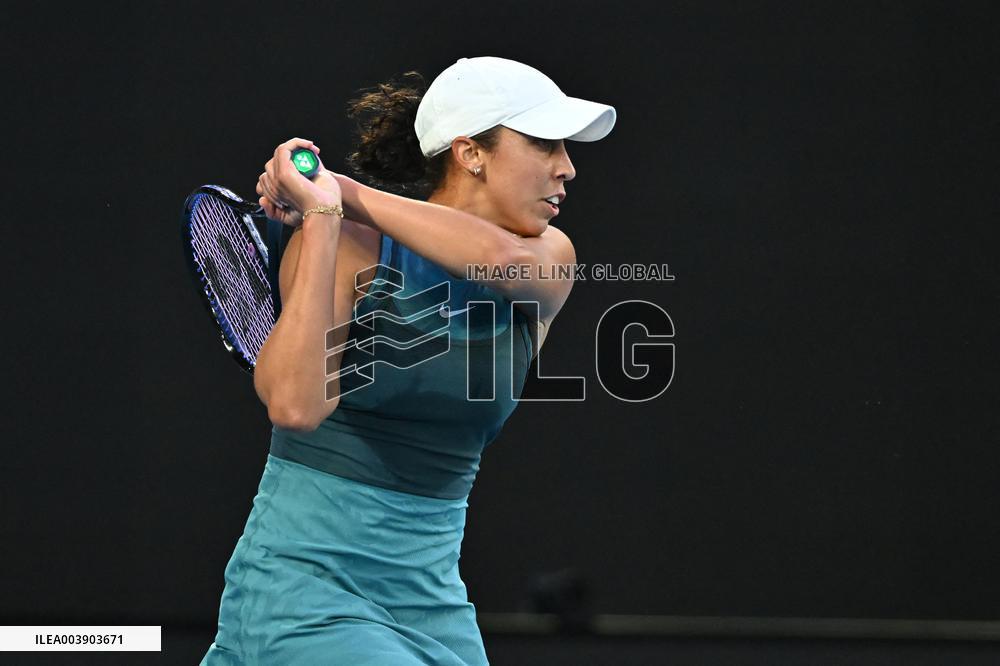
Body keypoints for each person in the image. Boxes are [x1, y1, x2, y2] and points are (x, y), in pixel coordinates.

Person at [200, 55, 616, 665]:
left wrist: (340, 192)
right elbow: (293, 406)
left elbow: (495, 260)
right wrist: (321, 220)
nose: (568, 167)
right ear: (471, 152)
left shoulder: (548, 257)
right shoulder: (352, 244)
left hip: (431, 600)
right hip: (305, 583)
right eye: (545, 144)